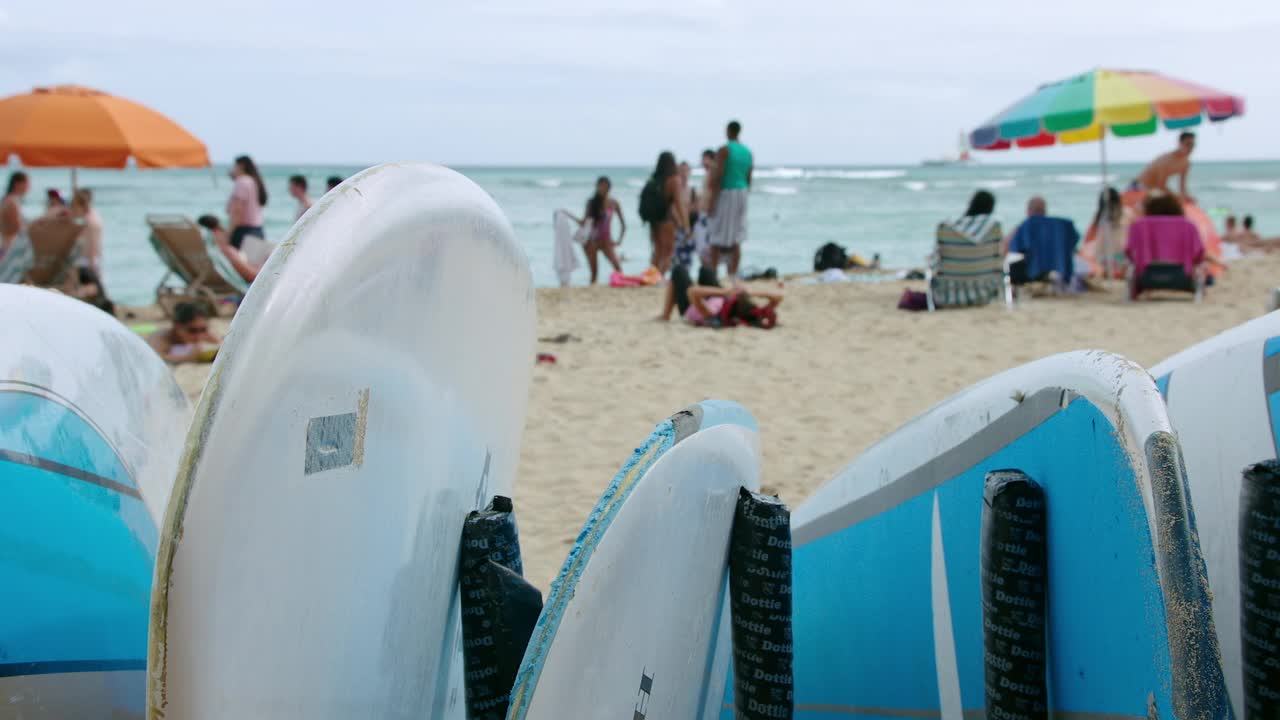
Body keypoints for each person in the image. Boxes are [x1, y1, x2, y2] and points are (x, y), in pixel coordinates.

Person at [660, 263, 781, 328]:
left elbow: (692, 292)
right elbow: (778, 297)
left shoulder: (714, 315)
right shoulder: (750, 312)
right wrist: (750, 292)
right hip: (717, 299)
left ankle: (665, 315)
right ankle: (664, 314)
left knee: (678, 270)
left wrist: (724, 292)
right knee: (705, 270)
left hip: (690, 307)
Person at [707, 121, 753, 281]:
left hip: (727, 193)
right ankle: (733, 274)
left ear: (728, 131)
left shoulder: (725, 150)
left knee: (716, 235)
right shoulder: (748, 152)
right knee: (736, 237)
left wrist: (712, 201)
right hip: (742, 193)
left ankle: (712, 273)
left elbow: (718, 176)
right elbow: (749, 178)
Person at [569, 176, 625, 284]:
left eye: (605, 186)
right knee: (594, 273)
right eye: (601, 186)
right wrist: (568, 214)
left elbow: (623, 224)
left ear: (609, 188)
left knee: (618, 269)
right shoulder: (591, 202)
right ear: (597, 187)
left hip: (606, 241)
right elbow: (584, 222)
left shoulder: (613, 203)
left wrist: (619, 240)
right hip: (591, 242)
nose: (603, 189)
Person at [643, 151, 688, 274]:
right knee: (668, 252)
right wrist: (685, 225)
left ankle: (652, 276)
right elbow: (678, 204)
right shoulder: (674, 180)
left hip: (653, 219)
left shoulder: (654, 179)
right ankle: (659, 277)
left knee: (657, 251)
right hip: (665, 220)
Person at [198, 214, 267, 283]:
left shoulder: (206, 252)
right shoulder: (227, 251)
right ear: (216, 231)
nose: (228, 233)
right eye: (223, 229)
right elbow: (253, 276)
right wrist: (265, 264)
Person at [1079, 187, 1130, 279]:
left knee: (1086, 249)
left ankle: (1104, 271)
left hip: (1102, 256)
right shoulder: (1127, 213)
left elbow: (1093, 239)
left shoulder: (1100, 216)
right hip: (1121, 256)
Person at [150, 302, 221, 364]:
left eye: (203, 329)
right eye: (192, 330)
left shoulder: (204, 333)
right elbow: (157, 358)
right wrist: (188, 358)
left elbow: (220, 344)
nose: (199, 335)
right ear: (177, 327)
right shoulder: (162, 338)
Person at [1135, 131, 1196, 200]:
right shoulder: (1167, 160)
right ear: (1180, 143)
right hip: (1138, 187)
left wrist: (1186, 196)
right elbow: (1160, 186)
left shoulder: (1186, 163)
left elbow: (1182, 186)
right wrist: (1177, 196)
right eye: (1188, 144)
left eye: (1192, 145)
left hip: (1152, 190)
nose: (1190, 148)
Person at [226, 155, 268, 249]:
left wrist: (229, 232)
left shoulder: (242, 182)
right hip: (257, 230)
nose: (233, 169)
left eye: (234, 166)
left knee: (240, 262)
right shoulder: (253, 181)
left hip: (244, 232)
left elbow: (238, 210)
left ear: (241, 166)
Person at [70, 189, 104, 277]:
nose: (72, 209)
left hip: (87, 265)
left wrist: (94, 272)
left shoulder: (91, 222)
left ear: (82, 206)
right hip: (88, 263)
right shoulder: (90, 219)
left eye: (73, 206)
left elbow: (92, 247)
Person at [1, 171, 28, 259]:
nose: (28, 187)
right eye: (26, 184)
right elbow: (18, 227)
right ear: (18, 184)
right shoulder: (12, 201)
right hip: (9, 247)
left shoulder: (6, 199)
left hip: (4, 244)